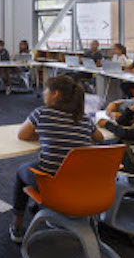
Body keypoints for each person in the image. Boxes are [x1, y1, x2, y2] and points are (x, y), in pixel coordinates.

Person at [10, 75, 103, 242]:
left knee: (22, 171)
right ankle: (36, 207)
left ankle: (17, 226)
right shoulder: (83, 118)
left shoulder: (42, 113)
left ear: (55, 94)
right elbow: (100, 138)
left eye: (46, 89)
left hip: (54, 186)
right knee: (41, 164)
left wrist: (44, 135)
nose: (44, 92)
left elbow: (22, 135)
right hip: (84, 183)